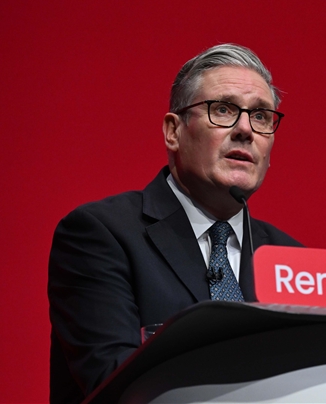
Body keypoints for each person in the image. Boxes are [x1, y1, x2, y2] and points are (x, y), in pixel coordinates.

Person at [47, 44, 302, 404]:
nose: (245, 129)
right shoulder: (101, 234)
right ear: (173, 131)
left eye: (261, 116)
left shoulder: (290, 259)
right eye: (224, 109)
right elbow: (117, 384)